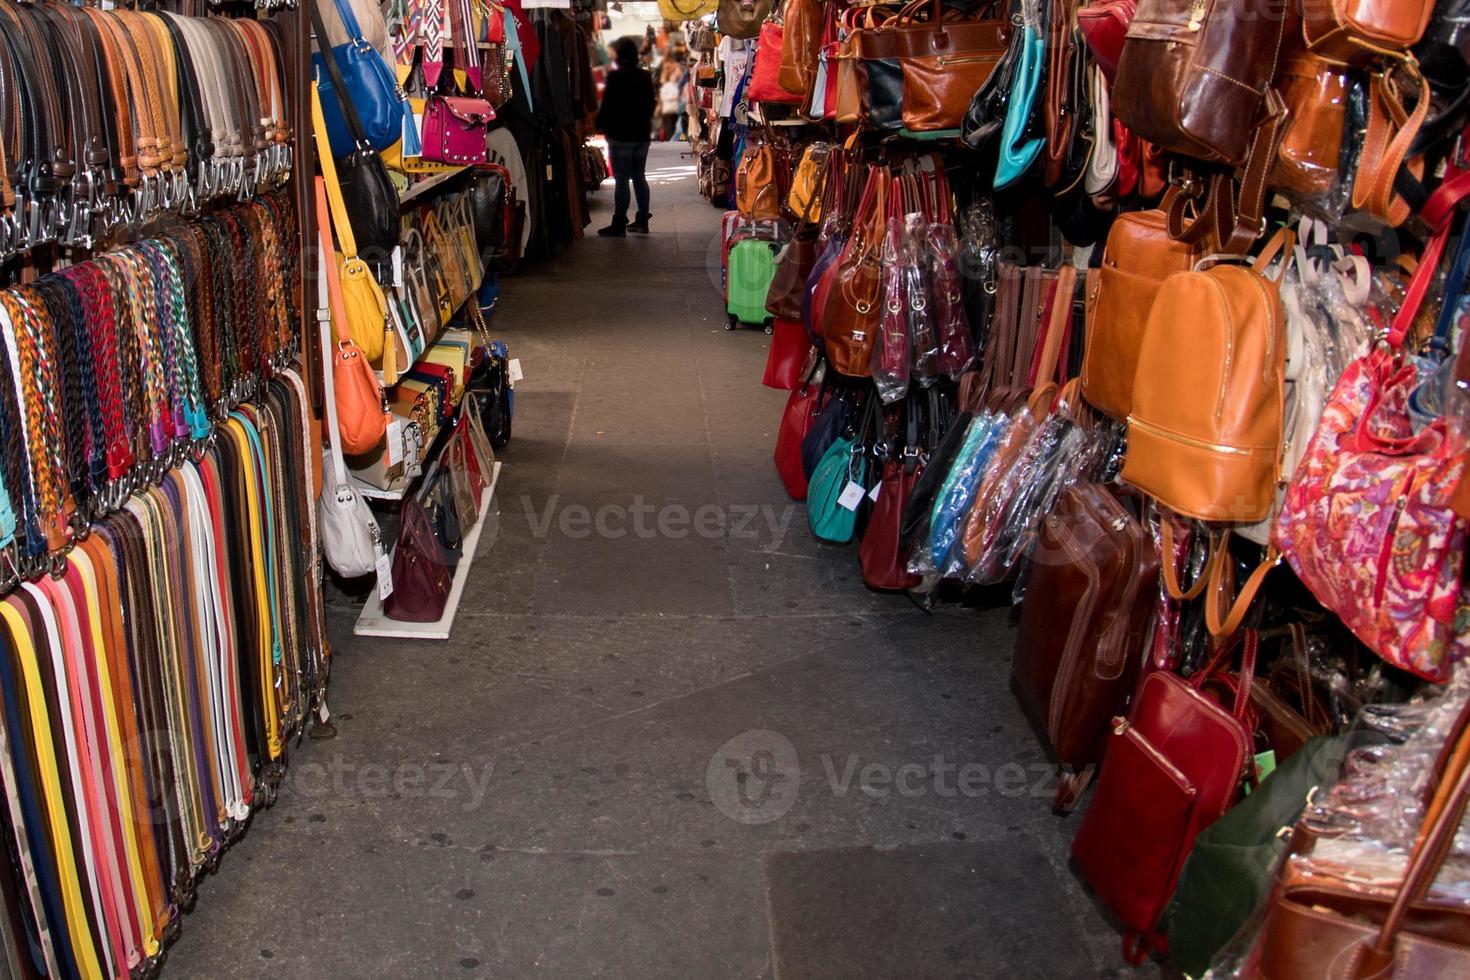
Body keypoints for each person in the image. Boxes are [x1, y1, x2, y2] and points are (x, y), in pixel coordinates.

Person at [595, 38, 656, 237]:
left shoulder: (615, 76)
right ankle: (642, 220)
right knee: (639, 176)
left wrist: (599, 125)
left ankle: (619, 223)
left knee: (621, 179)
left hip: (620, 135)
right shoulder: (645, 76)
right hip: (641, 134)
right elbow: (651, 105)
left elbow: (608, 105)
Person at [657, 57, 684, 142]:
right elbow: (663, 96)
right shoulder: (667, 85)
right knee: (669, 125)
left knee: (675, 124)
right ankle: (669, 139)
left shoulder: (677, 85)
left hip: (676, 109)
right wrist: (673, 98)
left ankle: (673, 139)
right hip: (668, 109)